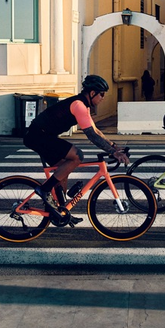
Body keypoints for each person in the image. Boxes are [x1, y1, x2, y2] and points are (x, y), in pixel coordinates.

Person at [23, 74, 129, 224]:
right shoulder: (78, 105)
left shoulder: (83, 105)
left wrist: (113, 146)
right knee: (77, 155)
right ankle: (44, 189)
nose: (103, 98)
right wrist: (113, 153)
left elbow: (95, 131)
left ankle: (61, 211)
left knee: (63, 169)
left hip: (42, 136)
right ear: (92, 93)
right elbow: (91, 135)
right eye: (102, 94)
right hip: (38, 136)